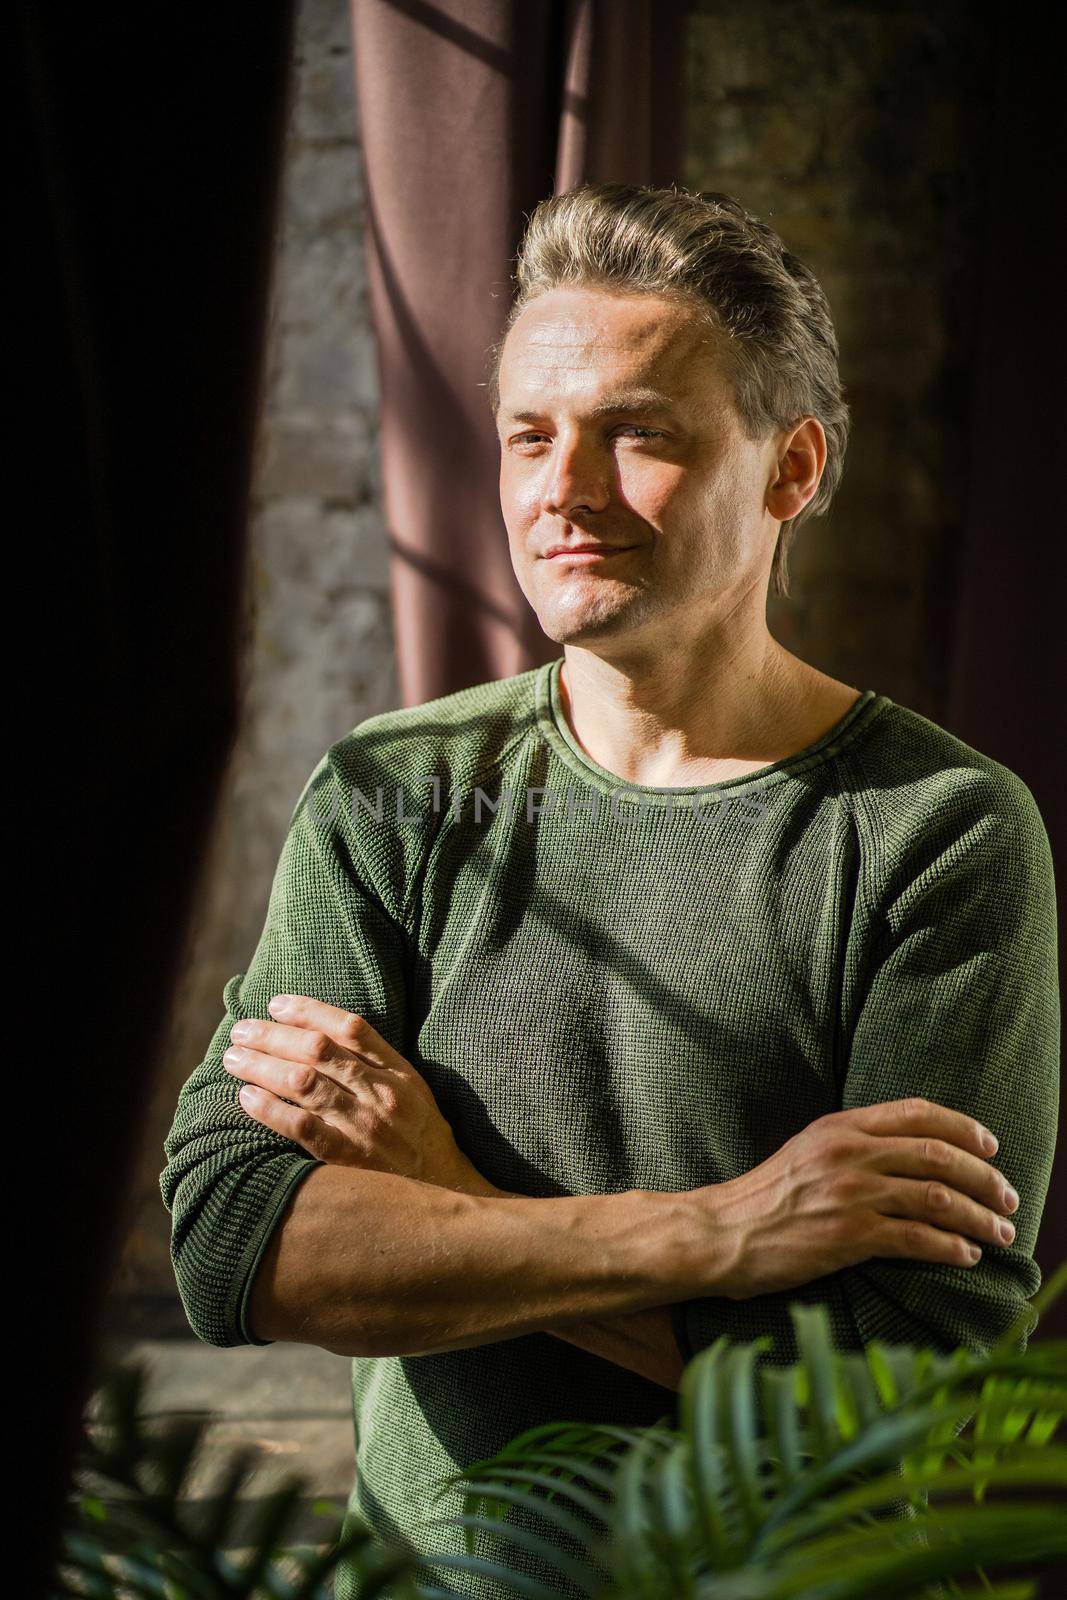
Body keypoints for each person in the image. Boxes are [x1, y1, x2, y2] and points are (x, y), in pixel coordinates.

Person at [160, 184, 1059, 1600]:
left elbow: (893, 1386)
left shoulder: (936, 833)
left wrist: (441, 1195)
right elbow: (237, 1244)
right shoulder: (391, 795)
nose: (561, 492)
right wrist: (727, 1230)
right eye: (530, 435)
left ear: (792, 467)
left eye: (638, 434)